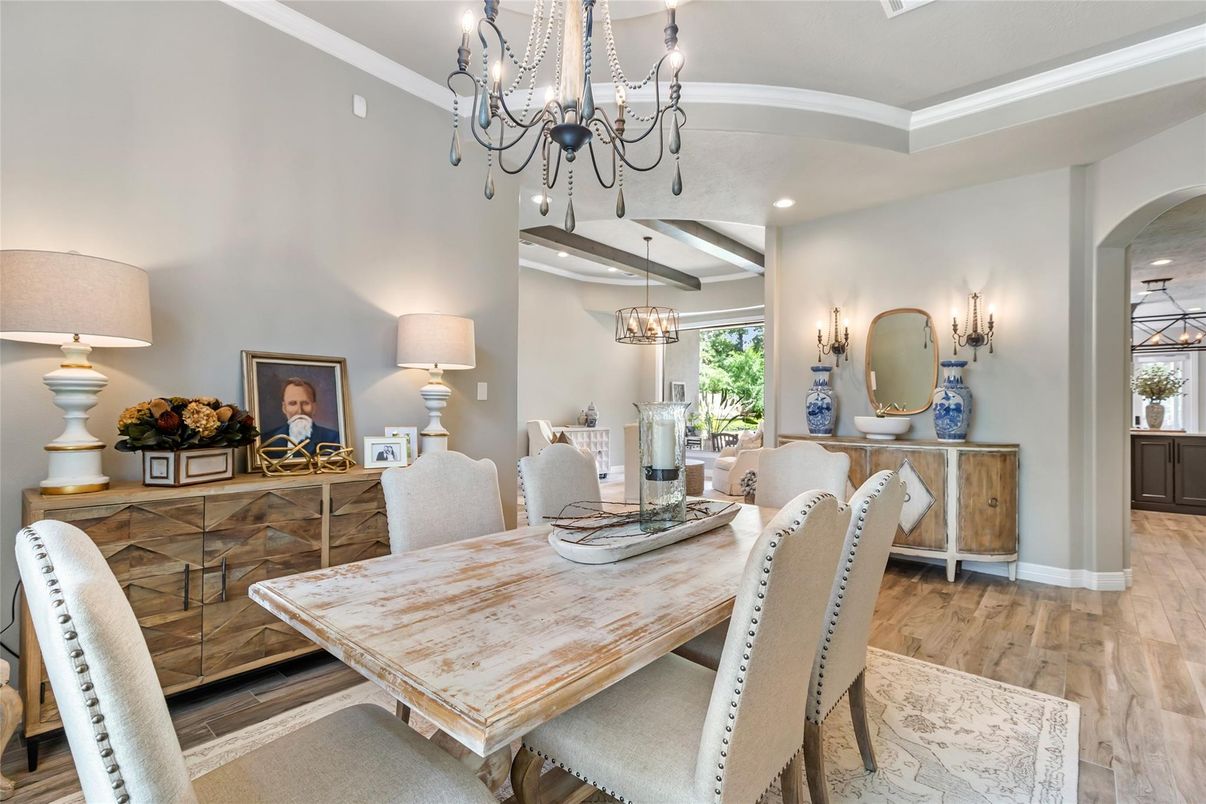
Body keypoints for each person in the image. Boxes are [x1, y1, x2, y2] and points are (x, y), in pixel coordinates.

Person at [259, 377, 341, 454]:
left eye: (305, 403)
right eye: (292, 403)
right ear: (284, 408)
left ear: (314, 407)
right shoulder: (266, 441)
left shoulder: (334, 439)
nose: (300, 411)